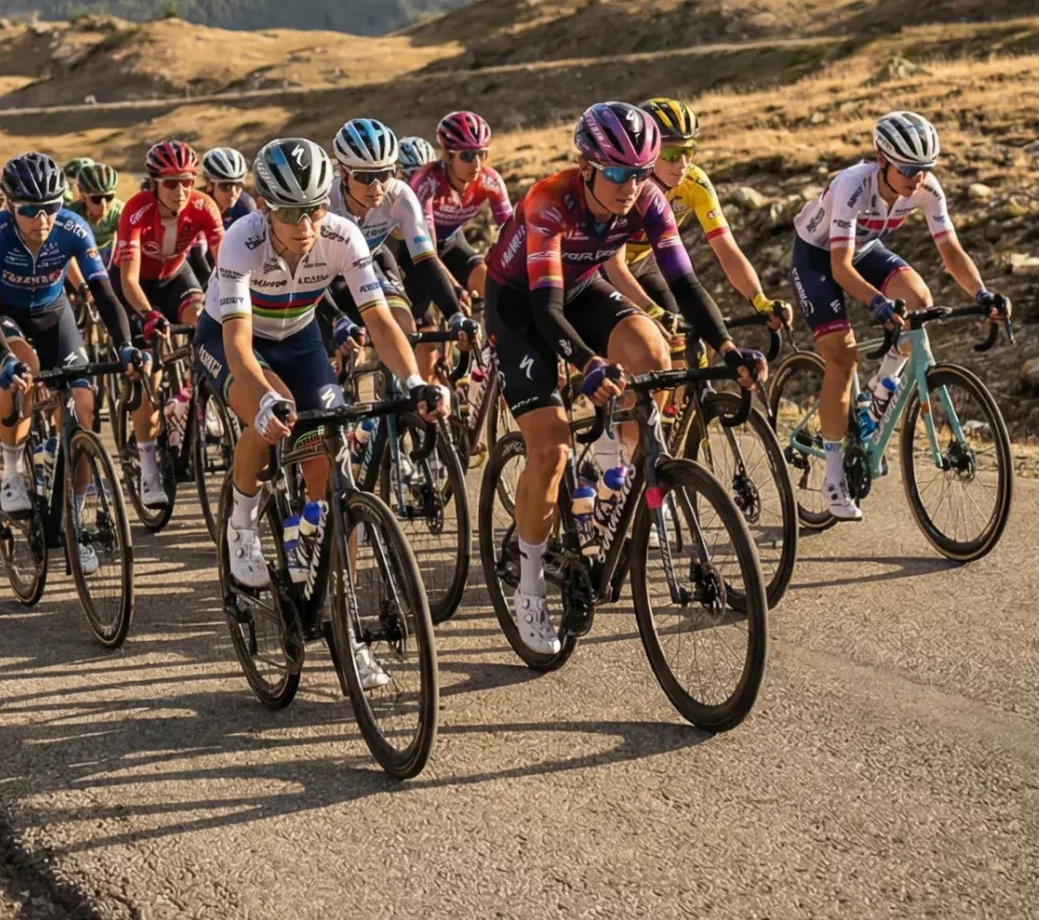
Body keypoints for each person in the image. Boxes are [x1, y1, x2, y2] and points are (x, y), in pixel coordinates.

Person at [483, 104, 760, 655]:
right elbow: (545, 310)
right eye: (616, 173)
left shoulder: (649, 200)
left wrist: (728, 346)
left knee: (653, 352)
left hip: (580, 288)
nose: (630, 185)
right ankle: (532, 579)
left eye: (640, 172)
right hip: (521, 306)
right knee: (551, 449)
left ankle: (620, 471)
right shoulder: (548, 201)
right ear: (586, 166)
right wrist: (587, 365)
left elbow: (685, 283)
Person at [200, 139, 446, 690]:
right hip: (233, 341)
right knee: (264, 419)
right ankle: (241, 523)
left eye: (314, 209)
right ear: (265, 206)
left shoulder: (341, 233)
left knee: (329, 471)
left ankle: (344, 625)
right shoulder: (242, 239)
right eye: (291, 213)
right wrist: (264, 395)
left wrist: (414, 381)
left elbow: (380, 322)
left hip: (301, 338)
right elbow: (238, 346)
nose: (306, 224)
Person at [788, 111, 1007, 520]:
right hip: (819, 257)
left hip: (865, 249)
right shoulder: (852, 185)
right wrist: (875, 303)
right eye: (907, 168)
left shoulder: (926, 189)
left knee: (919, 301)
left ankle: (878, 391)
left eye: (924, 170)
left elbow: (951, 250)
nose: (916, 178)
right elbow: (839, 268)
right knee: (843, 357)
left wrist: (982, 292)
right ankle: (833, 476)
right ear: (882, 158)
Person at [0, 153, 133, 564]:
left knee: (83, 405)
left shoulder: (73, 228)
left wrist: (126, 346)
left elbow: (105, 295)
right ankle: (11, 472)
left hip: (53, 313)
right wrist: (4, 359)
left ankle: (74, 523)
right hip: (4, 316)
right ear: (10, 205)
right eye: (30, 210)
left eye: (51, 207)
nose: (42, 219)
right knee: (21, 371)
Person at [619, 98, 791, 341]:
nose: (682, 165)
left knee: (689, 339)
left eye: (688, 153)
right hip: (603, 269)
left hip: (644, 263)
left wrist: (759, 299)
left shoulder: (694, 183)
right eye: (671, 154)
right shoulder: (624, 187)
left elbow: (726, 249)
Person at [113, 139, 223, 510]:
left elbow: (225, 262)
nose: (180, 191)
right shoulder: (135, 210)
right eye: (171, 183)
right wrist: (147, 314)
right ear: (154, 183)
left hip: (176, 277)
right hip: (136, 287)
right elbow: (127, 280)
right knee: (149, 374)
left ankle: (191, 398)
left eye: (187, 182)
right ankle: (147, 466)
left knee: (208, 323)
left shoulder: (204, 206)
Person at [326, 117, 465, 340]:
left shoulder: (399, 196)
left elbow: (426, 260)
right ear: (343, 173)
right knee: (345, 344)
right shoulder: (326, 203)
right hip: (327, 274)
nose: (376, 187)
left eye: (384, 174)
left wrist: (455, 316)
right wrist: (337, 319)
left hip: (372, 260)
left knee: (404, 327)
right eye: (364, 176)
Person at [410, 110, 512, 297]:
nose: (477, 164)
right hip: (415, 249)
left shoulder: (490, 181)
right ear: (448, 156)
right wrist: (454, 288)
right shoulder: (427, 181)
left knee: (493, 290)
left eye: (482, 154)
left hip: (451, 241)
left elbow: (513, 232)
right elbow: (426, 250)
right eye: (467, 156)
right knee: (430, 319)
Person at [201, 146, 253, 226]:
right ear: (209, 184)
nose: (233, 193)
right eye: (226, 186)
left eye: (238, 185)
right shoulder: (194, 207)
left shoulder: (245, 207)